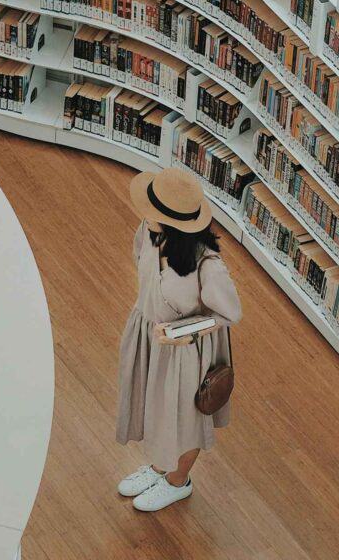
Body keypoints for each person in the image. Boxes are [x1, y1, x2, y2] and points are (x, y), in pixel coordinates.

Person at [115, 167, 242, 512]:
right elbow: (142, 267)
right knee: (157, 409)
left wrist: (181, 331)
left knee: (186, 419)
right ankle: (159, 467)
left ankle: (177, 481)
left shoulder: (208, 267)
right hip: (149, 334)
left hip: (185, 352)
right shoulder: (148, 232)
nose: (146, 216)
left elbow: (230, 314)